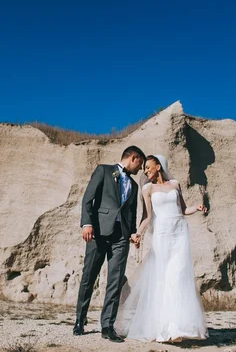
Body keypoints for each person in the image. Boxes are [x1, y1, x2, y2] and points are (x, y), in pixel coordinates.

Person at [115, 154, 209, 343]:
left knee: (178, 277)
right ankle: (163, 329)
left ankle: (178, 327)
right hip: (162, 235)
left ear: (158, 166)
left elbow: (182, 210)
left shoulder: (175, 184)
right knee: (163, 279)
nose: (145, 171)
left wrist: (196, 207)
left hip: (180, 233)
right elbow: (147, 217)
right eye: (144, 169)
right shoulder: (147, 189)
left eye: (148, 167)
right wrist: (138, 233)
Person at [73, 146, 146, 343]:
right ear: (133, 157)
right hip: (98, 232)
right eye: (140, 164)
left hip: (121, 237)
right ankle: (80, 319)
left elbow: (131, 213)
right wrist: (87, 224)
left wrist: (132, 233)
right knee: (89, 276)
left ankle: (107, 325)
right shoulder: (104, 171)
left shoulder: (134, 186)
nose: (141, 169)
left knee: (115, 281)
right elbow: (88, 199)